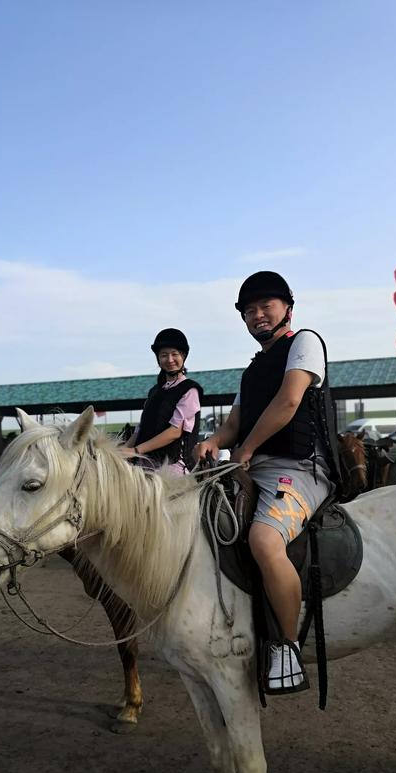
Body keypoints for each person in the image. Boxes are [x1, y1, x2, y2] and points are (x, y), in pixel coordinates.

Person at [194, 272, 340, 694]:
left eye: (265, 307)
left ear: (286, 309)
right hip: (255, 466)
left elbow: (289, 401)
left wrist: (244, 449)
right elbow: (234, 424)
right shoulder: (253, 370)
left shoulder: (304, 344)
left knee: (263, 540)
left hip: (301, 469)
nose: (257, 315)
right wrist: (212, 442)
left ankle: (287, 645)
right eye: (249, 311)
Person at [119, 329, 202, 476]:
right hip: (144, 465)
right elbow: (140, 429)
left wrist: (135, 451)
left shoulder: (189, 390)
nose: (169, 359)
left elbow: (175, 432)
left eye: (174, 354)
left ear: (183, 356)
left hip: (172, 467)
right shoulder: (154, 391)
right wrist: (122, 451)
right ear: (158, 359)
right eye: (164, 355)